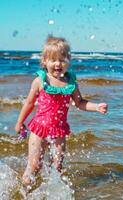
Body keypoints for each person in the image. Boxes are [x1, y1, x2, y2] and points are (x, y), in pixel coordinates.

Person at [15, 36, 108, 190]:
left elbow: (79, 102)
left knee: (57, 168)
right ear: (44, 61)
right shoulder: (40, 81)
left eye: (62, 59)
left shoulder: (70, 82)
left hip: (59, 131)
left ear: (68, 60)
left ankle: (49, 192)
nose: (58, 63)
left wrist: (96, 106)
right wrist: (20, 122)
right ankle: (25, 191)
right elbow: (30, 103)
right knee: (34, 165)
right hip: (39, 130)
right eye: (53, 60)